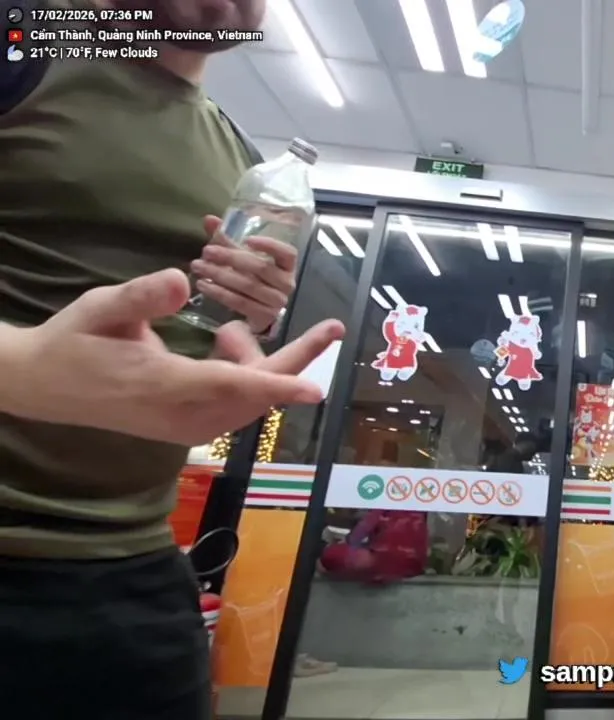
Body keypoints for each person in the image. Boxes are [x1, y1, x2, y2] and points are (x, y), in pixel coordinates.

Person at [0, 1, 341, 718]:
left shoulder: (239, 158)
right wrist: (23, 368)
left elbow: (187, 336)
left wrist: (243, 333)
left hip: (136, 572)